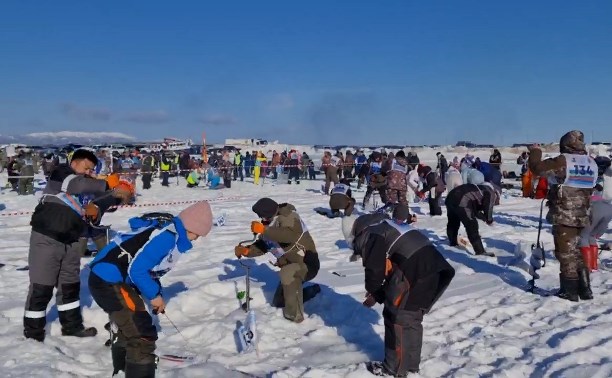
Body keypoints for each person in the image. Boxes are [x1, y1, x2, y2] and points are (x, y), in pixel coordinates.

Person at [89, 202, 213, 377]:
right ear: (191, 228)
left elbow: (150, 271)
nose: (197, 239)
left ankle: (123, 370)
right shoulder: (167, 238)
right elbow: (137, 271)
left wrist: (157, 293)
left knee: (130, 328)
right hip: (108, 281)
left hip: (111, 280)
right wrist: (154, 296)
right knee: (142, 335)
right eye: (198, 235)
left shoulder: (170, 233)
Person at [24, 149, 132, 342]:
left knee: (70, 287)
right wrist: (106, 183)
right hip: (47, 238)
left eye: (92, 170)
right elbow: (78, 185)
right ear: (75, 162)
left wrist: (117, 194)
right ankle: (33, 334)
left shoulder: (86, 188)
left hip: (72, 241)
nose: (88, 172)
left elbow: (97, 205)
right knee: (42, 287)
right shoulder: (62, 173)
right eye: (86, 167)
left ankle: (71, 326)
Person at [349, 204, 455, 376]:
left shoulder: (373, 233)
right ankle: (411, 366)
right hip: (435, 269)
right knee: (412, 318)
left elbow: (375, 269)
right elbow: (392, 270)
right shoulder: (390, 226)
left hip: (414, 271)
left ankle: (393, 369)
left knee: (396, 318)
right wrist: (380, 293)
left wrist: (373, 291)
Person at [529, 130, 598, 301]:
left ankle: (570, 291)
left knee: (565, 253)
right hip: (583, 215)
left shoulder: (564, 161)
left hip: (565, 214)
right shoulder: (591, 162)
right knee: (576, 251)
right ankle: (585, 289)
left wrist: (536, 151)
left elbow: (537, 169)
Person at [234, 198, 320, 323]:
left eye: (263, 216)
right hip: (290, 266)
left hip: (307, 264)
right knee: (279, 301)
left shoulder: (289, 216)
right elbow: (264, 245)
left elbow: (290, 236)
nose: (262, 219)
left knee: (287, 273)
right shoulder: (269, 224)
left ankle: (295, 316)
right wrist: (247, 251)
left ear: (270, 213)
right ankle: (311, 291)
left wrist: (264, 230)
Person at [445, 183, 499, 256]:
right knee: (471, 224)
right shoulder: (489, 192)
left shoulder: (476, 189)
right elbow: (488, 207)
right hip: (462, 199)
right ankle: (480, 251)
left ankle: (453, 242)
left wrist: (483, 218)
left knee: (453, 222)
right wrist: (489, 220)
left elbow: (474, 210)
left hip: (450, 197)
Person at [579, 164, 612, 271]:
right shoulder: (609, 178)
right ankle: (593, 265)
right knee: (592, 236)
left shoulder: (595, 177)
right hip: (609, 208)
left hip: (595, 205)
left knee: (583, 235)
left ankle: (586, 267)